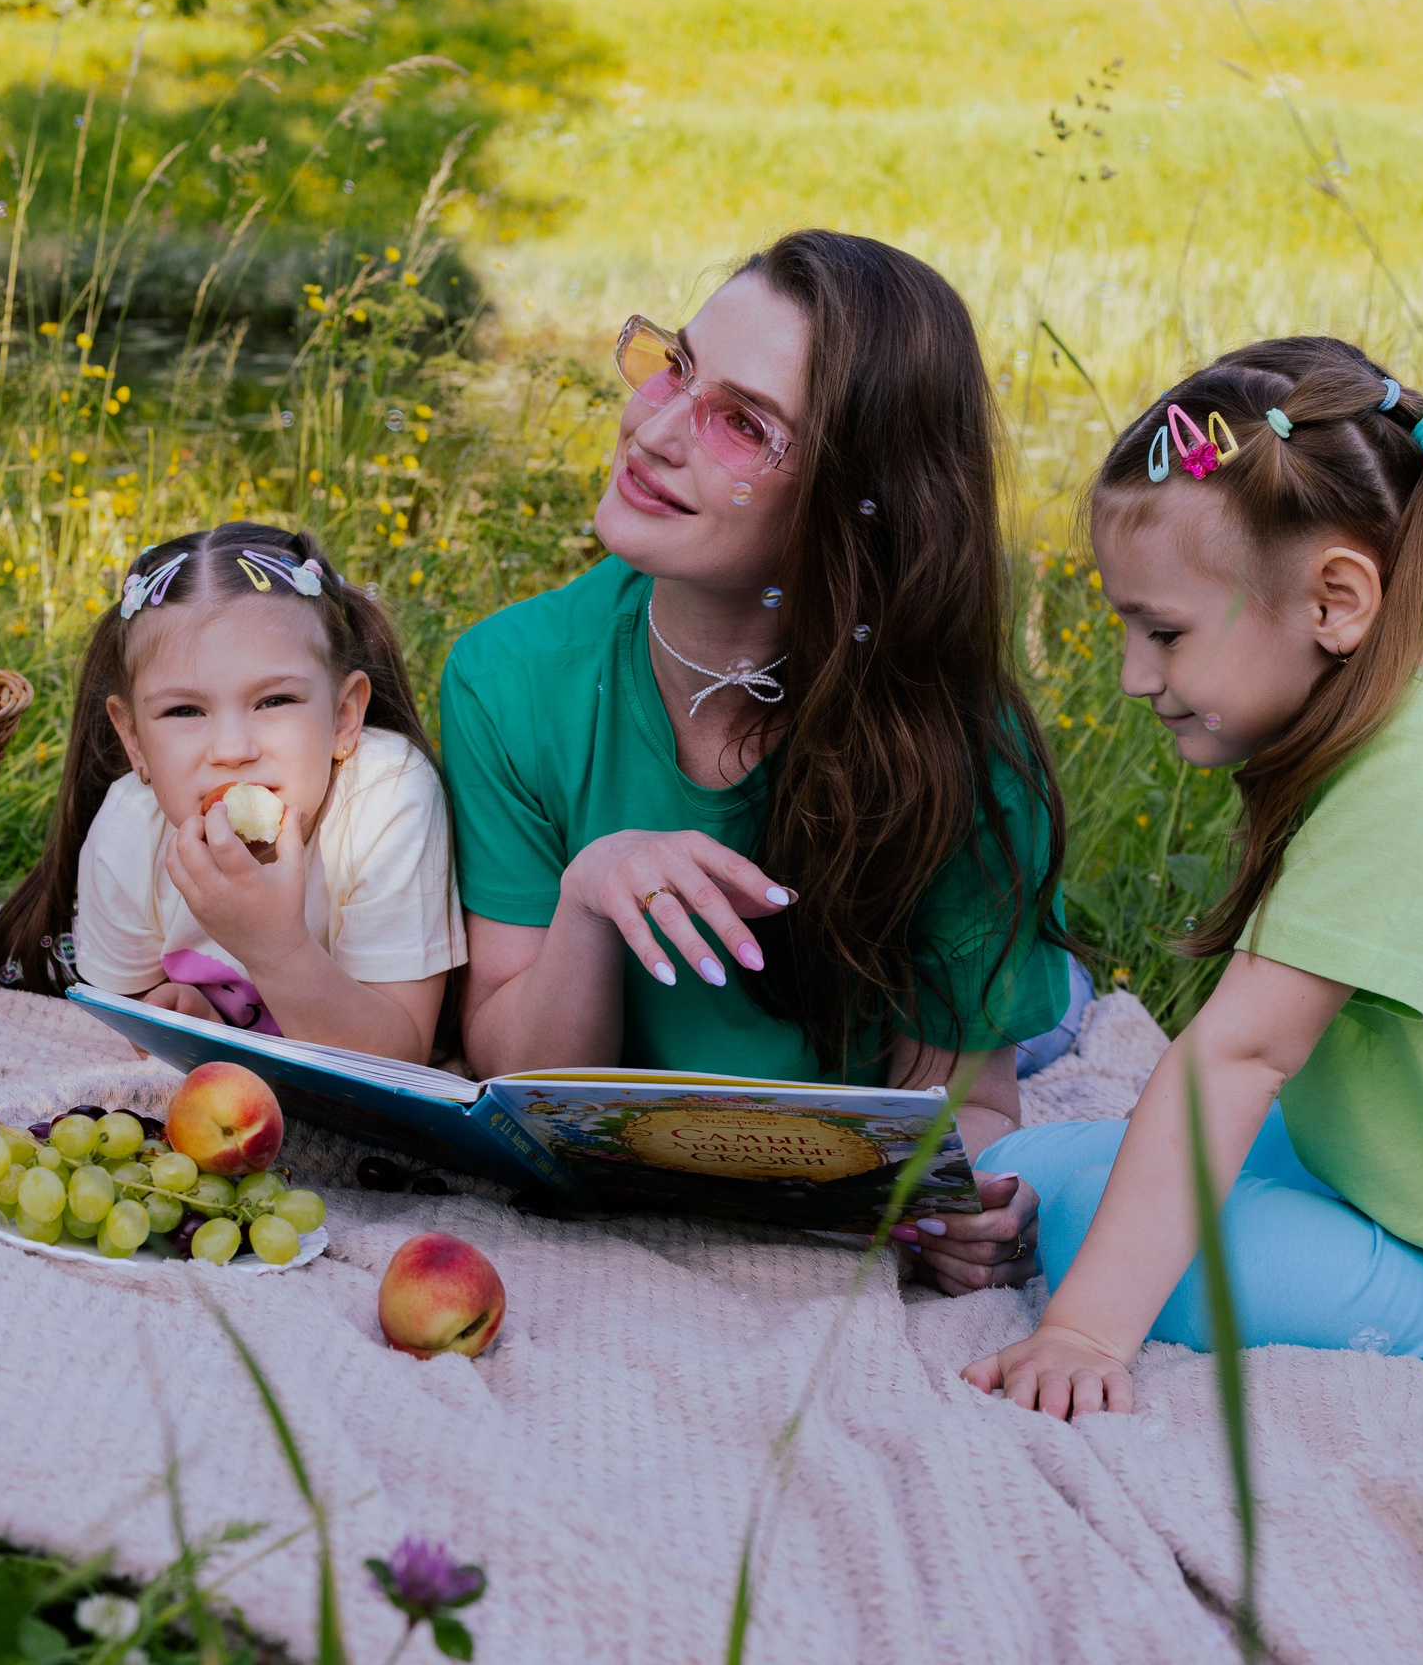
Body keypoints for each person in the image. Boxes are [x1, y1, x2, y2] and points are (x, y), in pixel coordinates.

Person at [963, 338, 1423, 1416]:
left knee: (1068, 1216)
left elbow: (1242, 1051)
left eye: (1160, 630)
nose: (1130, 675)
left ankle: (1108, 1264)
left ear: (1336, 599)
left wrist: (1082, 1331)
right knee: (1056, 1156)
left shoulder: (1417, 771)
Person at [439, 228, 1085, 1292]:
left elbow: (965, 1102)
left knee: (1051, 1016)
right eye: (676, 365)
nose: (653, 427)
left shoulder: (960, 755)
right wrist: (590, 894)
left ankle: (1050, 985)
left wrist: (945, 1207)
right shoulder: (508, 678)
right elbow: (518, 1078)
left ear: (856, 505)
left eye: (743, 423)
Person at [0, 523, 462, 1063]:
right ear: (134, 739)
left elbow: (398, 1061)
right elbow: (134, 1025)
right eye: (184, 711)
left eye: (275, 700)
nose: (232, 750)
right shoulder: (128, 829)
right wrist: (186, 1015)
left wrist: (273, 945)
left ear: (344, 717)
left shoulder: (386, 797)